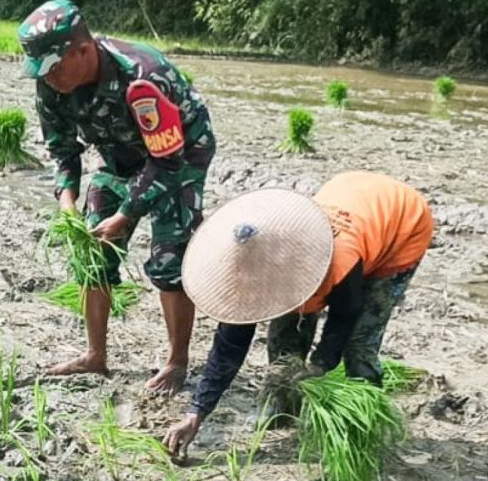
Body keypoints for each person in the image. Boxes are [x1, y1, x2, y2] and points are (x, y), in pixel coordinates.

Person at [18, 0, 216, 394]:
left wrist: (126, 214)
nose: (49, 78)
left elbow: (166, 160)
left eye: (54, 67)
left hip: (180, 153)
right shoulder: (51, 83)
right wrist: (67, 203)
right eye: (42, 71)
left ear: (83, 50)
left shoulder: (143, 77)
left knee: (169, 256)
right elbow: (62, 149)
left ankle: (176, 363)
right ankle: (95, 356)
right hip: (120, 154)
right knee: (93, 251)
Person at [162, 171, 434, 456]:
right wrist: (197, 412)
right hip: (349, 194)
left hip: (402, 223)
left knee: (358, 344)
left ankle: (365, 423)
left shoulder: (339, 261)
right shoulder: (249, 269)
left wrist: (320, 365)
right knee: (284, 339)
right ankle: (282, 410)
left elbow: (346, 315)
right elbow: (230, 346)